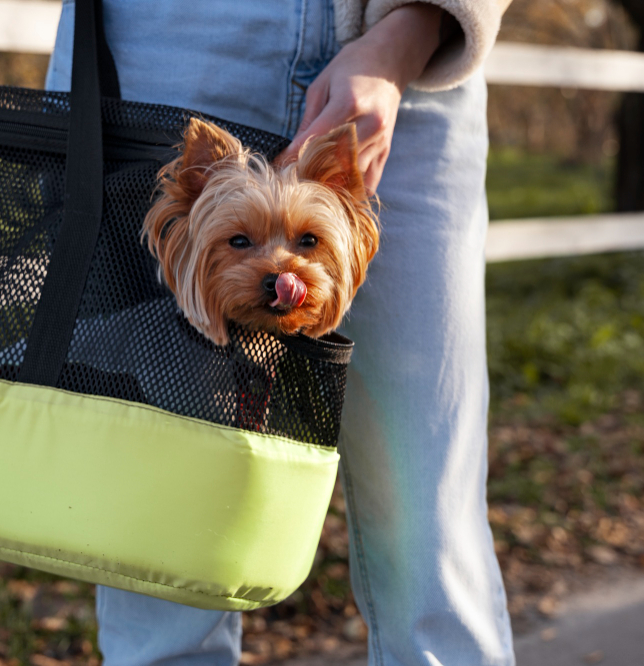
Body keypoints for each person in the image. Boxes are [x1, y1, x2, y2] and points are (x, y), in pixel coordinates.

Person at [46, 0, 516, 663]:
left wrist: (413, 30)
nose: (278, 272)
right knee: (164, 523)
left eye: (303, 244)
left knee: (431, 512)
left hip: (419, 62)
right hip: (164, 42)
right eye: (240, 243)